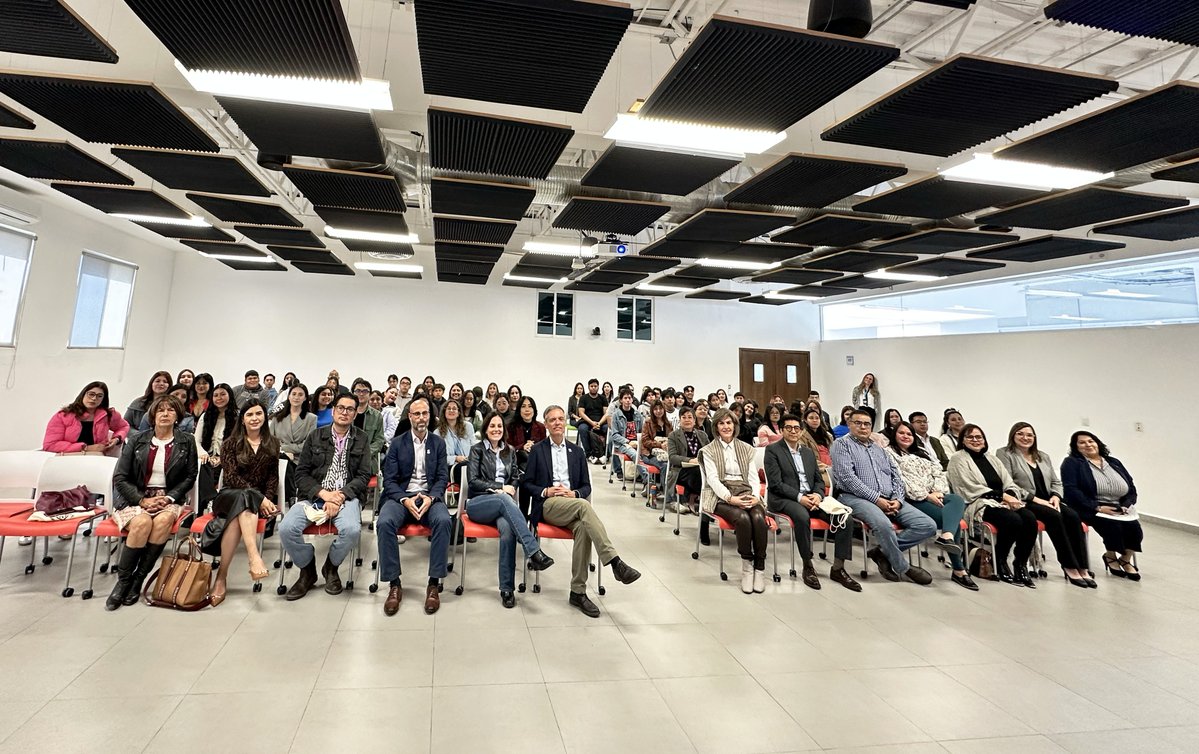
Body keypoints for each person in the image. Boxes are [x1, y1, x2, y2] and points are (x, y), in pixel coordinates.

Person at [522, 405, 640, 617]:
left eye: (560, 419)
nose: (557, 423)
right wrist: (546, 491)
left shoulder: (576, 452)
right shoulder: (538, 450)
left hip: (572, 505)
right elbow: (527, 484)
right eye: (552, 420)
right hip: (549, 505)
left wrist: (575, 494)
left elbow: (586, 486)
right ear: (546, 424)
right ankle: (615, 562)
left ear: (565, 421)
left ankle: (578, 592)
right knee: (585, 506)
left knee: (584, 527)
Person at [106, 394, 198, 610]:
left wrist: (168, 497)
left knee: (163, 522)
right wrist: (141, 500)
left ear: (177, 416)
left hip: (168, 497)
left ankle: (139, 578)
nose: (165, 414)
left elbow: (189, 476)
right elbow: (120, 477)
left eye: (171, 410)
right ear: (153, 414)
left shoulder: (187, 441)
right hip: (134, 496)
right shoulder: (137, 440)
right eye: (161, 410)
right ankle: (123, 582)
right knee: (142, 524)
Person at [280, 392, 371, 600]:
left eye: (350, 409)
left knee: (351, 530)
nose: (344, 412)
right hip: (314, 495)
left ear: (355, 413)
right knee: (286, 529)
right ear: (333, 410)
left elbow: (364, 475)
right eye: (341, 408)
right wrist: (324, 494)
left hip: (345, 496)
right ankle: (307, 569)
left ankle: (331, 567)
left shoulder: (361, 438)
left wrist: (339, 496)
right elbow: (301, 473)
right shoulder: (315, 436)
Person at [831, 408, 936, 585]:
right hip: (854, 497)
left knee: (927, 525)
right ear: (849, 424)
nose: (863, 427)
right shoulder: (841, 445)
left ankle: (881, 552)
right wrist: (876, 499)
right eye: (858, 423)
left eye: (867, 424)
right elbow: (848, 479)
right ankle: (904, 568)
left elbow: (896, 476)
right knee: (884, 525)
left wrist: (897, 499)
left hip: (890, 499)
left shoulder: (880, 449)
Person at [466, 412, 555, 607]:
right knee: (504, 500)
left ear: (503, 430)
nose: (496, 429)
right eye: (492, 426)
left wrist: (512, 486)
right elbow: (472, 482)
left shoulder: (510, 450)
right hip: (478, 503)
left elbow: (515, 476)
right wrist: (500, 488)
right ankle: (533, 550)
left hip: (503, 506)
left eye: (499, 426)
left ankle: (507, 589)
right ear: (485, 429)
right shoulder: (476, 450)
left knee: (507, 531)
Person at [765, 413, 861, 592]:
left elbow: (818, 480)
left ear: (801, 431)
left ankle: (838, 568)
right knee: (802, 516)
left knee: (844, 518)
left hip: (812, 498)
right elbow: (776, 483)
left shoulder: (808, 452)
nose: (793, 431)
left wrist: (817, 495)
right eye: (788, 428)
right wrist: (800, 497)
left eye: (796, 428)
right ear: (781, 430)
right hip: (784, 499)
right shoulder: (773, 450)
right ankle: (807, 565)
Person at [377, 397, 452, 616]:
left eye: (425, 414)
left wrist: (432, 497)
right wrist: (405, 500)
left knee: (444, 521)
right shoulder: (398, 443)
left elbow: (441, 477)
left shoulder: (438, 443)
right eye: (416, 414)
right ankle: (394, 584)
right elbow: (389, 480)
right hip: (401, 497)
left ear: (430, 416)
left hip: (429, 497)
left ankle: (433, 583)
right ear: (409, 416)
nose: (421, 418)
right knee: (384, 522)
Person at [203, 401, 280, 606]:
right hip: (229, 496)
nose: (255, 418)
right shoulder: (230, 443)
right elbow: (231, 477)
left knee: (239, 516)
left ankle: (221, 577)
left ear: (264, 416)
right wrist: (260, 498)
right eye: (249, 415)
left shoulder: (273, 443)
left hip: (254, 505)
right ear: (243, 419)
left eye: (259, 413)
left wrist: (268, 499)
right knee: (244, 499)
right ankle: (254, 557)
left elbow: (273, 478)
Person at [998, 423, 1093, 588]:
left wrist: (1056, 496)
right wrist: (1036, 499)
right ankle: (1069, 565)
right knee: (1054, 517)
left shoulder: (1042, 456)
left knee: (1072, 516)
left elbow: (1056, 482)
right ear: (1013, 435)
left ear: (1034, 438)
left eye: (1029, 435)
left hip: (1048, 500)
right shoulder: (1005, 454)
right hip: (1026, 501)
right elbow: (1008, 483)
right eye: (1020, 434)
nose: (1025, 438)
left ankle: (1082, 566)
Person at [886, 421, 976, 590]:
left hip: (935, 495)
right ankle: (959, 570)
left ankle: (947, 536)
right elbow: (899, 480)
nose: (906, 436)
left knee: (956, 499)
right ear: (894, 435)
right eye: (902, 433)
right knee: (952, 520)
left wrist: (939, 492)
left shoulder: (923, 453)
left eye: (909, 434)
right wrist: (926, 495)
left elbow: (939, 473)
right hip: (912, 499)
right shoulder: (889, 454)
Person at [946, 424, 1037, 587]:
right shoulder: (958, 458)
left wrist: (1011, 496)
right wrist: (1003, 496)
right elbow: (967, 488)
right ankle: (1000, 561)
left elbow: (1008, 482)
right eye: (970, 437)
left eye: (978, 437)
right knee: (1013, 520)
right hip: (978, 503)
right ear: (963, 440)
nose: (975, 440)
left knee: (1030, 519)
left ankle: (1020, 565)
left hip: (1003, 502)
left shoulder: (992, 458)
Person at [701, 408, 774, 594]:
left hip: (746, 490)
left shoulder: (746, 448)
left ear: (735, 425)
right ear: (716, 427)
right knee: (742, 518)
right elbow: (713, 480)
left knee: (758, 517)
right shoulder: (708, 450)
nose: (726, 427)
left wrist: (756, 497)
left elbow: (753, 478)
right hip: (721, 495)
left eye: (729, 423)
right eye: (721, 423)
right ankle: (747, 566)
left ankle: (760, 567)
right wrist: (730, 498)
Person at [1061, 430, 1143, 581]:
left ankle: (1125, 559)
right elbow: (1071, 490)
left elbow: (1131, 488)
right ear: (1076, 446)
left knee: (1135, 530)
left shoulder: (1114, 462)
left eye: (1091, 441)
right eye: (1082, 442)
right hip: (1090, 507)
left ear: (1097, 443)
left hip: (1120, 506)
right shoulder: (1072, 463)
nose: (1088, 444)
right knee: (1112, 527)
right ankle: (1111, 557)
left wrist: (1126, 504)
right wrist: (1097, 507)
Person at [43, 381, 129, 454]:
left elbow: (124, 426)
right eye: (91, 394)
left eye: (99, 396)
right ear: (83, 394)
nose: (94, 398)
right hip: (68, 459)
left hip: (97, 459)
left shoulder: (108, 414)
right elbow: (50, 445)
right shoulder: (63, 416)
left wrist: (116, 439)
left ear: (103, 399)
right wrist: (86, 448)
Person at [194, 383, 237, 507]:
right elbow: (196, 440)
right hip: (206, 456)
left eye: (223, 394)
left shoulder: (237, 417)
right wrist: (203, 454)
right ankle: (211, 499)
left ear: (230, 396)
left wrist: (222, 457)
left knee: (222, 469)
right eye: (216, 395)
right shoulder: (205, 416)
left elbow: (238, 443)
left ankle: (210, 502)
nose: (219, 398)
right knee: (202, 468)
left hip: (227, 457)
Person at [666, 407, 708, 511]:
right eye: (683, 417)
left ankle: (695, 497)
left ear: (694, 421)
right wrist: (690, 460)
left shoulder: (702, 435)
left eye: (690, 417)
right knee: (697, 472)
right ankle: (700, 499)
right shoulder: (673, 435)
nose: (687, 420)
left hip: (701, 467)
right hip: (680, 470)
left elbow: (710, 452)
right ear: (679, 420)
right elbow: (672, 457)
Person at [271, 384, 315, 462]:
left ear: (305, 398)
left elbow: (308, 445)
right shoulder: (276, 417)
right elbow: (269, 441)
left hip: (299, 460)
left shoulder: (311, 418)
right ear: (289, 396)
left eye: (300, 394)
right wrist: (283, 453)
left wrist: (284, 448)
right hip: (278, 458)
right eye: (293, 394)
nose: (296, 397)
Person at [797, 408, 834, 500]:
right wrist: (826, 467)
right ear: (805, 420)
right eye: (811, 418)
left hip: (831, 466)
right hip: (816, 469)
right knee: (834, 481)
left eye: (817, 418)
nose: (814, 420)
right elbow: (806, 458)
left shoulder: (827, 435)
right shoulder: (802, 436)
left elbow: (834, 453)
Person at [350, 379, 385, 473]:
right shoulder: (347, 413)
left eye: (365, 391)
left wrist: (365, 452)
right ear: (353, 393)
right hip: (347, 458)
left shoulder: (377, 416)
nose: (361, 394)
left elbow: (379, 440)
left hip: (367, 460)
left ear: (369, 394)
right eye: (358, 391)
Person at [438, 398, 475, 486]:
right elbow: (438, 458)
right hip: (450, 467)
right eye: (448, 408)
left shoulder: (468, 427)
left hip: (469, 463)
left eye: (454, 408)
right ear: (444, 412)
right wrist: (455, 458)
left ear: (459, 413)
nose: (451, 410)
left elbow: (474, 447)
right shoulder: (438, 432)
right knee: (466, 468)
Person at [609, 389, 642, 480]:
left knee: (647, 455)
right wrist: (628, 442)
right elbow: (614, 435)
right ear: (621, 400)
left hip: (637, 442)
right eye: (625, 398)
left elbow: (642, 431)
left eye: (630, 398)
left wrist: (638, 442)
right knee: (636, 455)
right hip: (623, 443)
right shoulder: (616, 415)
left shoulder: (637, 415)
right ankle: (647, 479)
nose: (628, 400)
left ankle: (641, 475)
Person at [505, 396, 546, 466]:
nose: (527, 410)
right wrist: (522, 447)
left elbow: (544, 448)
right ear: (519, 410)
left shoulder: (541, 427)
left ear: (534, 410)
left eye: (530, 406)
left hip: (537, 463)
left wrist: (534, 447)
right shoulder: (511, 427)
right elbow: (506, 448)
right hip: (516, 463)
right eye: (523, 406)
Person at [576, 378, 610, 462]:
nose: (593, 388)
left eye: (595, 386)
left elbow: (606, 413)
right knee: (582, 429)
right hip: (587, 421)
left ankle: (605, 453)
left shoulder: (603, 398)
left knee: (608, 429)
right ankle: (589, 454)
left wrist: (599, 423)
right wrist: (592, 423)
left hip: (600, 422)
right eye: (592, 386)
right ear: (588, 387)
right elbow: (581, 413)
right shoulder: (583, 398)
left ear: (598, 387)